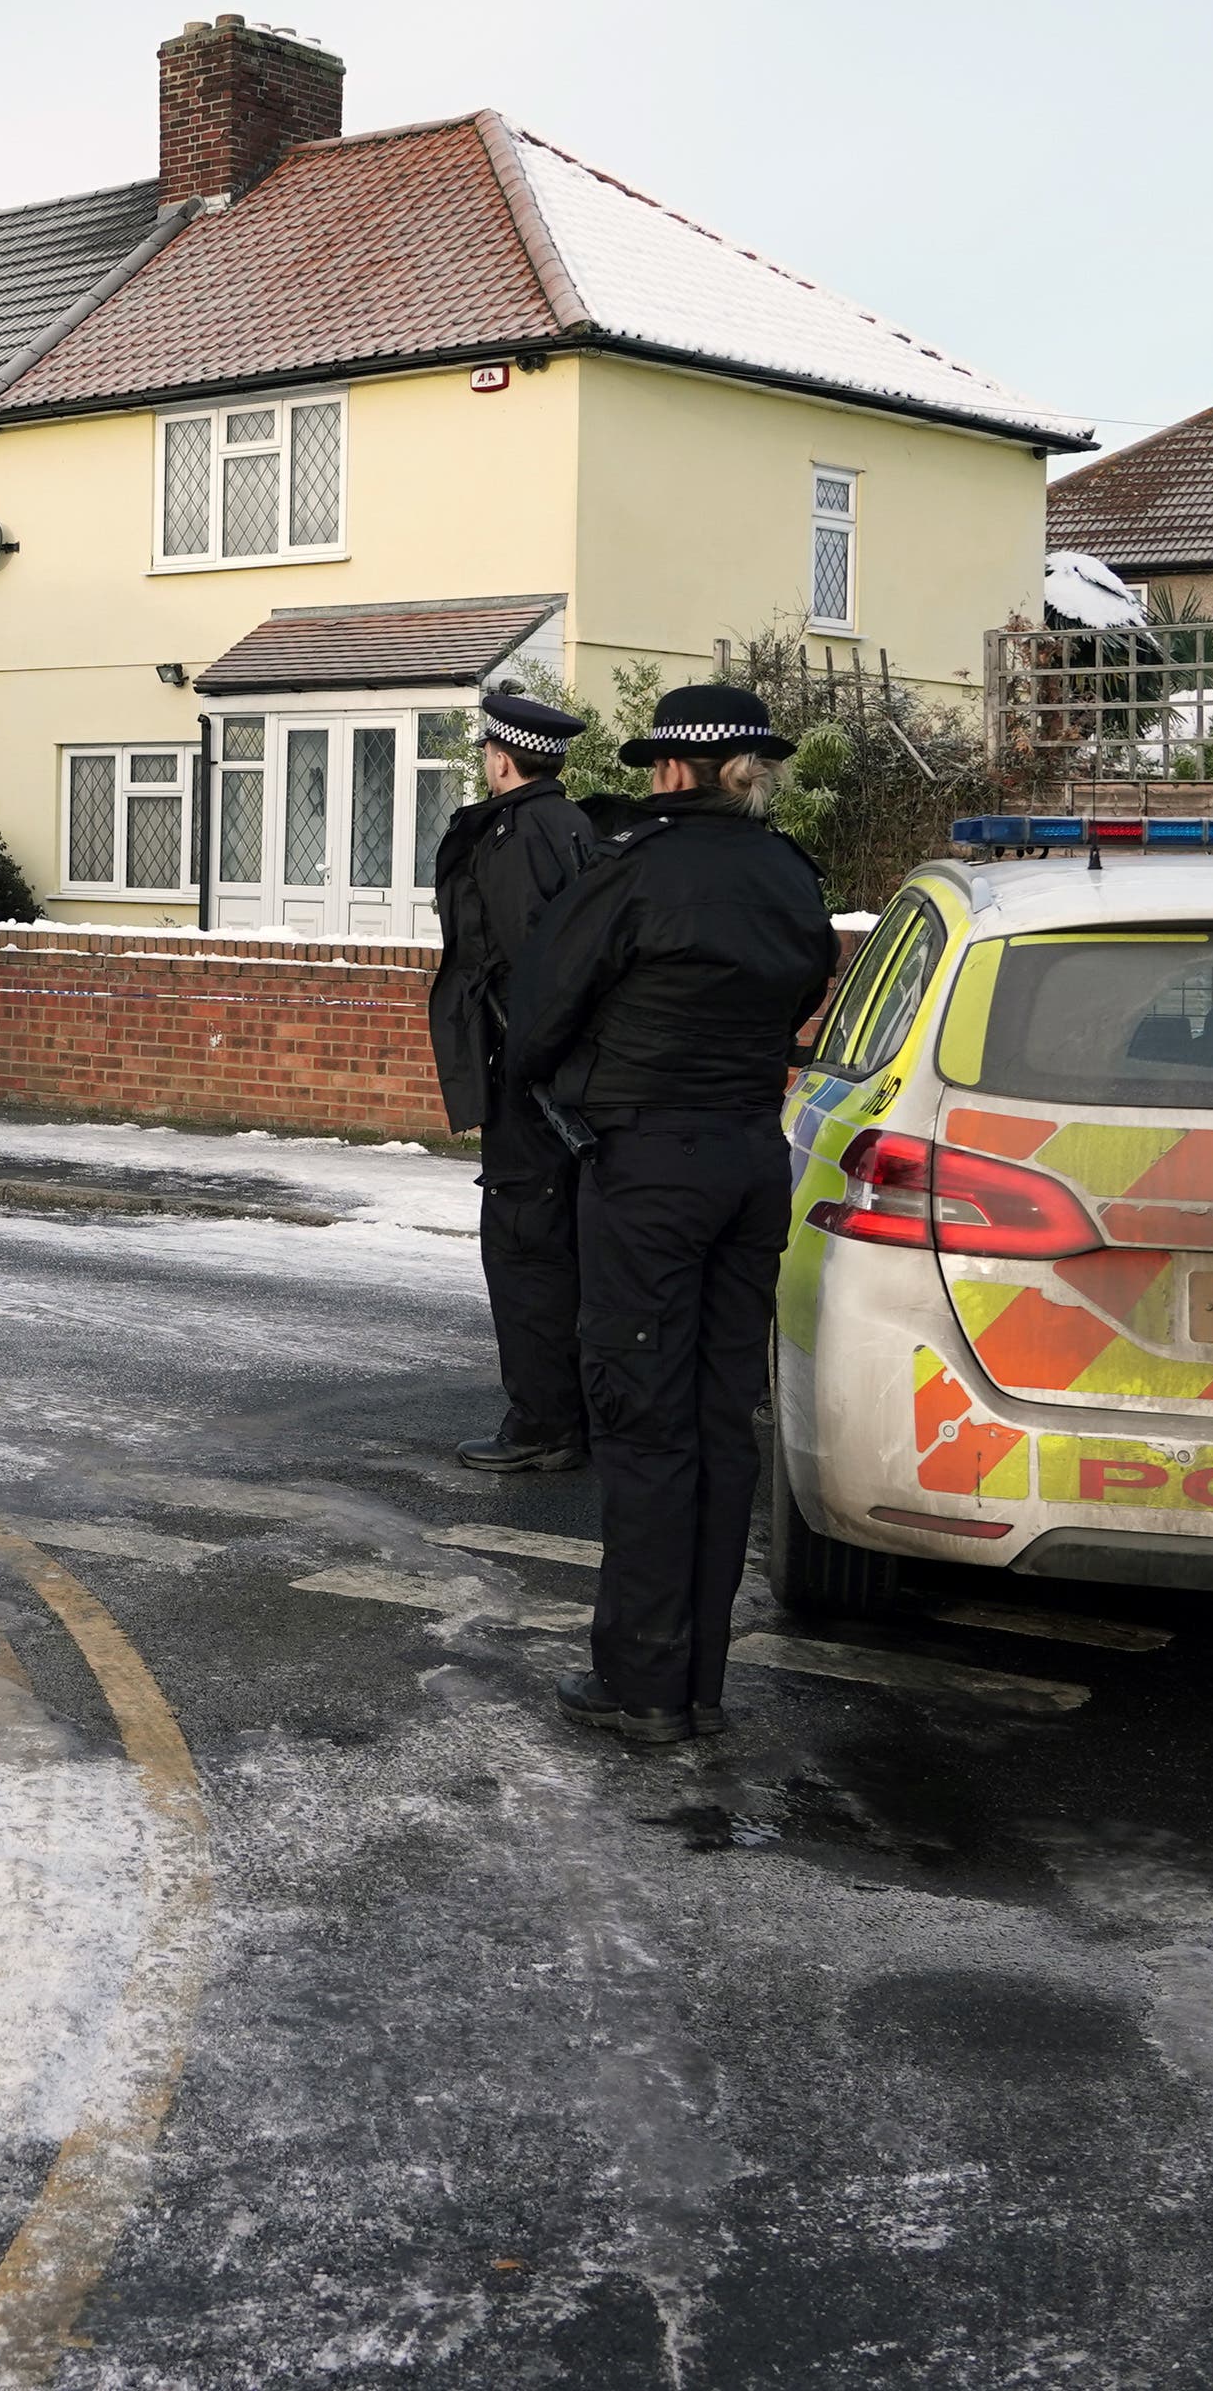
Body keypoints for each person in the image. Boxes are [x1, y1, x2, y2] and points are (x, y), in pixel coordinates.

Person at [498, 682, 841, 1746]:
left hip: (650, 1167)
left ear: (669, 769)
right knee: (718, 1418)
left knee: (644, 1420)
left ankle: (642, 1684)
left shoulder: (632, 871)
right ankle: (699, 1682)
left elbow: (541, 1015)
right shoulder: (790, 872)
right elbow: (803, 989)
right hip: (751, 1155)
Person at [423, 686, 607, 1474]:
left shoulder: (515, 838)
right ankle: (576, 1414)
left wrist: (522, 1068)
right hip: (568, 1080)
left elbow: (532, 968)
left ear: (501, 760)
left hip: (532, 1081)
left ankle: (544, 1425)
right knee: (568, 1246)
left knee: (527, 1247)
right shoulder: (574, 825)